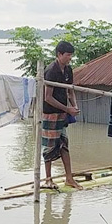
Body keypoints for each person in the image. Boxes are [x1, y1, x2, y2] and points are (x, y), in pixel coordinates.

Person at [42, 41, 83, 190]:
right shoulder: (51, 71)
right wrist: (67, 108)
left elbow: (70, 90)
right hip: (50, 113)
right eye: (68, 55)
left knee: (64, 145)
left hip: (62, 113)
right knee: (49, 147)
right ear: (59, 54)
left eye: (71, 55)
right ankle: (48, 179)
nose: (70, 58)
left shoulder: (68, 70)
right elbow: (48, 97)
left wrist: (74, 106)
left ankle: (69, 178)